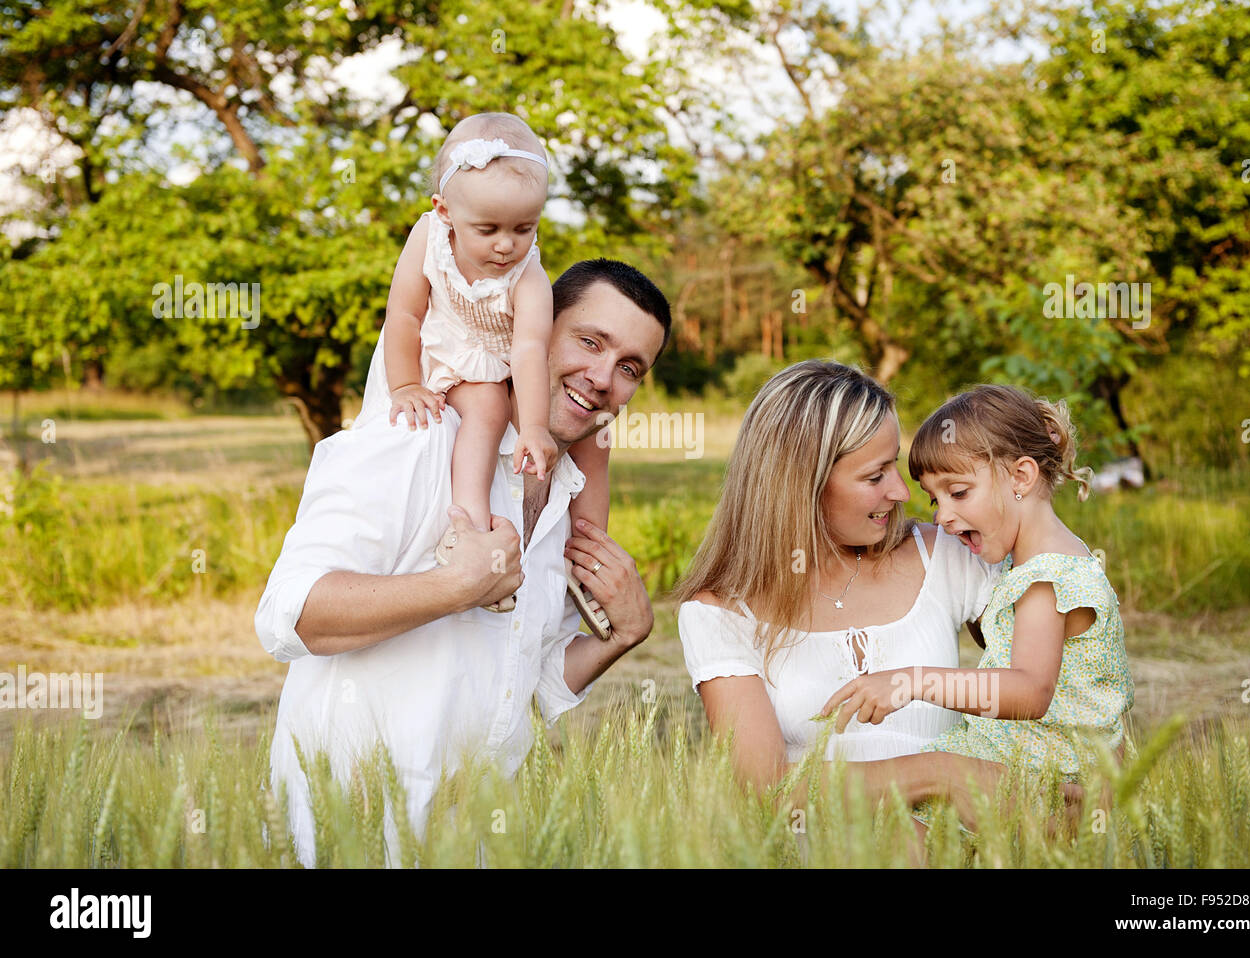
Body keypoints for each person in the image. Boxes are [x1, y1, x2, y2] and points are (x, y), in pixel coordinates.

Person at [255, 258, 671, 866]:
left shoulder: (563, 495)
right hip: (350, 838)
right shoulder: (418, 435)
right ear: (534, 328)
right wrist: (457, 586)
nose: (604, 377)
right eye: (590, 341)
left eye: (630, 367)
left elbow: (523, 683)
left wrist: (622, 637)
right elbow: (289, 616)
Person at [674, 361, 1008, 811]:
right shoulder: (721, 614)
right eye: (875, 476)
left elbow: (1047, 688)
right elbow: (768, 790)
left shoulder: (946, 556)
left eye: (894, 466)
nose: (901, 492)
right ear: (799, 485)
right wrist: (940, 773)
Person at [820, 384, 1134, 828]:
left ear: (1021, 478)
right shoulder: (1031, 563)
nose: (941, 517)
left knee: (895, 820)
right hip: (1028, 756)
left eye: (959, 492)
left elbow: (1029, 693)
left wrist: (911, 682)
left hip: (1043, 769)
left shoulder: (1047, 580)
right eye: (934, 498)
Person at [353, 112, 611, 629]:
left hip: (491, 360)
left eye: (524, 228)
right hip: (428, 349)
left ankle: (522, 546)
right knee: (451, 419)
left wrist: (535, 427)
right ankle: (447, 530)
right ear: (444, 210)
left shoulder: (529, 276)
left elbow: (530, 349)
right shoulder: (426, 237)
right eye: (487, 229)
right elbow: (403, 314)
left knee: (530, 418)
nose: (505, 245)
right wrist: (406, 383)